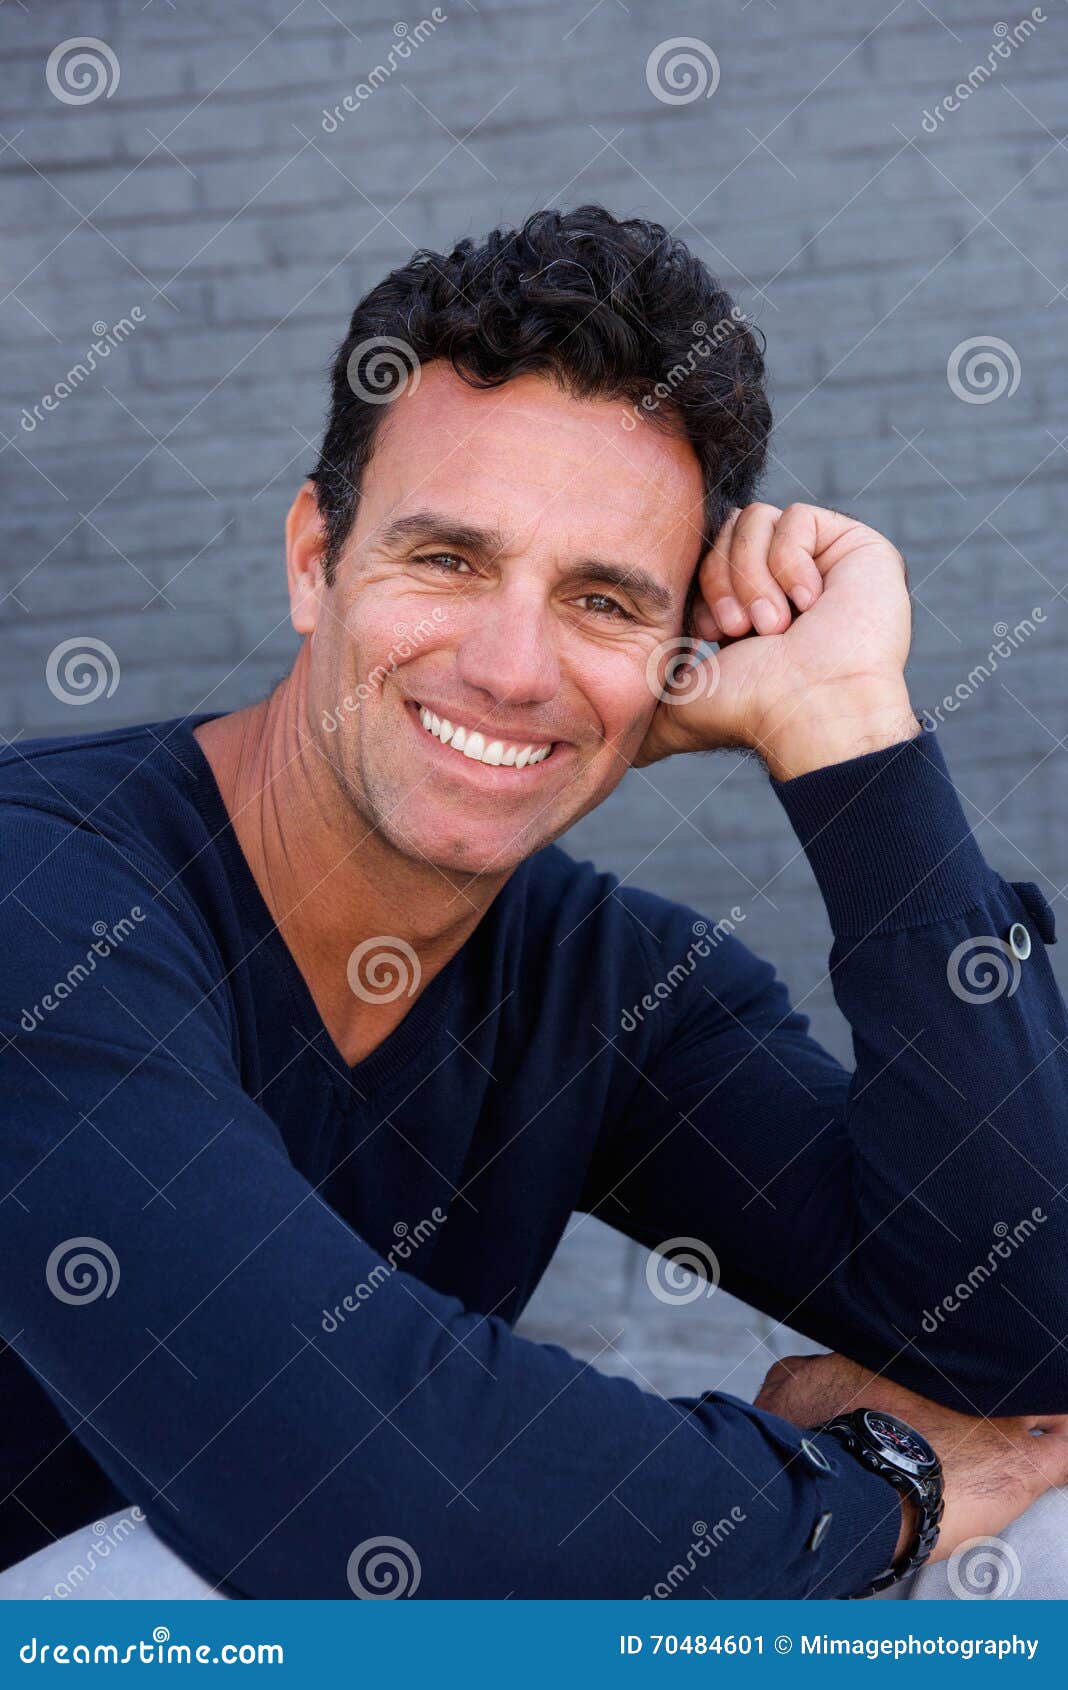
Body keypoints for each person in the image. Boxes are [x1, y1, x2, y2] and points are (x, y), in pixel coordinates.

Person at [2, 206, 1066, 1600]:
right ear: (316, 560)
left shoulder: (598, 978)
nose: (512, 669)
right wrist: (879, 1485)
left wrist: (849, 731)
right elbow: (354, 1488)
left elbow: (1024, 1329)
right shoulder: (43, 903)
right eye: (447, 560)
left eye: (604, 601)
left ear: (681, 651)